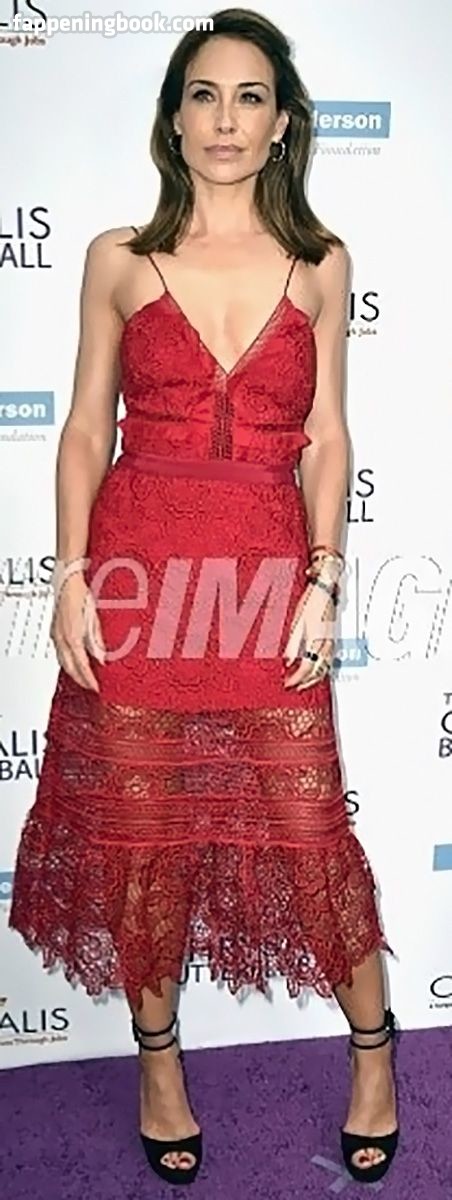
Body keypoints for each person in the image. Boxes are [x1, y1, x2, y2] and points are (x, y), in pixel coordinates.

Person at [9, 7, 399, 1189]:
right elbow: (86, 429)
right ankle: (159, 1066)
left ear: (281, 126)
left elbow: (327, 437)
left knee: (309, 834)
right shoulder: (118, 258)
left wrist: (323, 579)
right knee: (145, 845)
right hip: (137, 586)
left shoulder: (320, 263)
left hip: (264, 586)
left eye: (248, 97)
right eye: (202, 94)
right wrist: (70, 576)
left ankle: (373, 1054)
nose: (224, 118)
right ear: (173, 120)